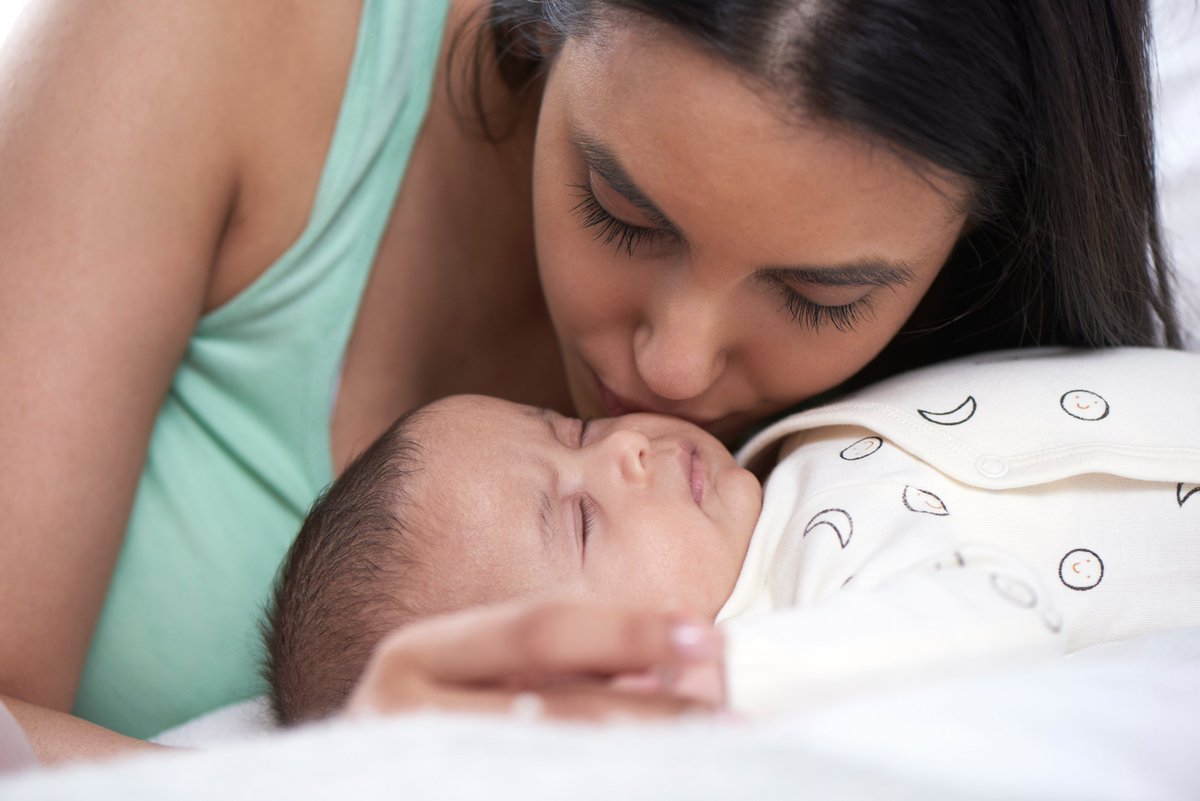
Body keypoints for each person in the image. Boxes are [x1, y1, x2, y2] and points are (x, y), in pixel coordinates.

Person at [0, 0, 1181, 761]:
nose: (671, 368)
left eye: (821, 300)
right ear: (540, 26)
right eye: (620, 212)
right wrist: (363, 776)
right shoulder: (206, 38)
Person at [263, 348, 1200, 725]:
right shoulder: (797, 640)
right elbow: (1000, 617)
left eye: (571, 429)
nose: (627, 445)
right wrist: (717, 678)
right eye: (582, 521)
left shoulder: (779, 455)